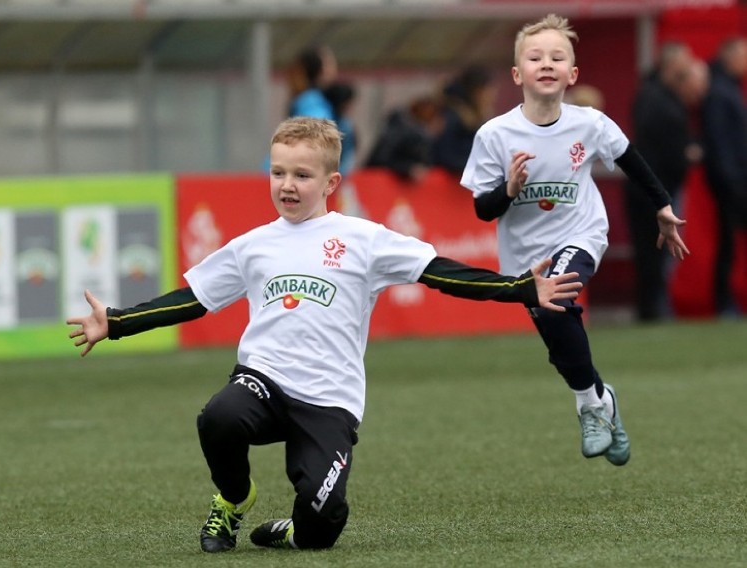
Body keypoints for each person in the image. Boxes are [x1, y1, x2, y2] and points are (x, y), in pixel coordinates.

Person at [67, 117, 583, 553]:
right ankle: (234, 498)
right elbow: (191, 298)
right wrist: (116, 323)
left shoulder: (363, 239)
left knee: (322, 525)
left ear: (331, 183)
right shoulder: (254, 245)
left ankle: (297, 527)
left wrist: (520, 289)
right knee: (218, 417)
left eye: (301, 175)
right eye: (278, 172)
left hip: (329, 400)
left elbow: (441, 271)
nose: (287, 185)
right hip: (263, 381)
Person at [461, 14, 689, 466]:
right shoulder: (495, 135)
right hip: (523, 257)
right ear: (516, 74)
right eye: (535, 57)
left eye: (557, 57)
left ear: (573, 74)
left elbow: (632, 163)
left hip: (581, 235)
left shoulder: (589, 124)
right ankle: (604, 397)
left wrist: (662, 207)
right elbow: (482, 209)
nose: (546, 63)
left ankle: (589, 406)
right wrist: (508, 189)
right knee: (555, 330)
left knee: (560, 296)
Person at [625, 41, 701, 322]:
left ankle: (654, 309)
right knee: (653, 253)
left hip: (654, 188)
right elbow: (657, 146)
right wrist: (684, 153)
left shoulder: (657, 96)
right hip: (652, 190)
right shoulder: (656, 99)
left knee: (656, 254)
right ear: (671, 67)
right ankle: (652, 311)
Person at [701, 36, 747, 317]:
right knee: (728, 243)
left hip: (733, 181)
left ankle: (727, 301)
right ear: (730, 57)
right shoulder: (720, 92)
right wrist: (733, 181)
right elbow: (721, 142)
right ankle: (724, 302)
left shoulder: (726, 89)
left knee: (729, 243)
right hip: (733, 184)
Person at [431, 64, 498, 178]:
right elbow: (446, 155)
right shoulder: (454, 118)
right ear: (477, 92)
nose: (493, 98)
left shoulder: (475, 118)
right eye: (489, 92)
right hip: (450, 186)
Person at [366, 94, 444, 183]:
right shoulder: (401, 131)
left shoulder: (422, 135)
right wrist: (408, 168)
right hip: (378, 182)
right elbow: (383, 158)